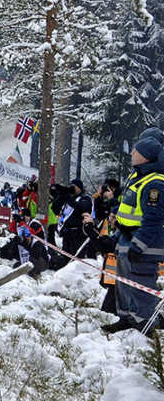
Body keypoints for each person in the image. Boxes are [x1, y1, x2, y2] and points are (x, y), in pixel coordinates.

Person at [102, 135, 164, 334]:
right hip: (127, 240)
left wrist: (139, 245)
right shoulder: (138, 177)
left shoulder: (155, 184)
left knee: (140, 284)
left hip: (143, 246)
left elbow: (153, 219)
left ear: (145, 156)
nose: (132, 153)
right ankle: (127, 318)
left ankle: (144, 325)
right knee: (124, 283)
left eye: (136, 150)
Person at [56, 178, 95, 264]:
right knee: (65, 258)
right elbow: (55, 209)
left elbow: (81, 208)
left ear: (79, 188)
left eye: (73, 187)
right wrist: (61, 194)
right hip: (67, 233)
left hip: (78, 234)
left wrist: (68, 198)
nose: (71, 188)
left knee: (77, 260)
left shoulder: (86, 198)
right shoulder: (69, 198)